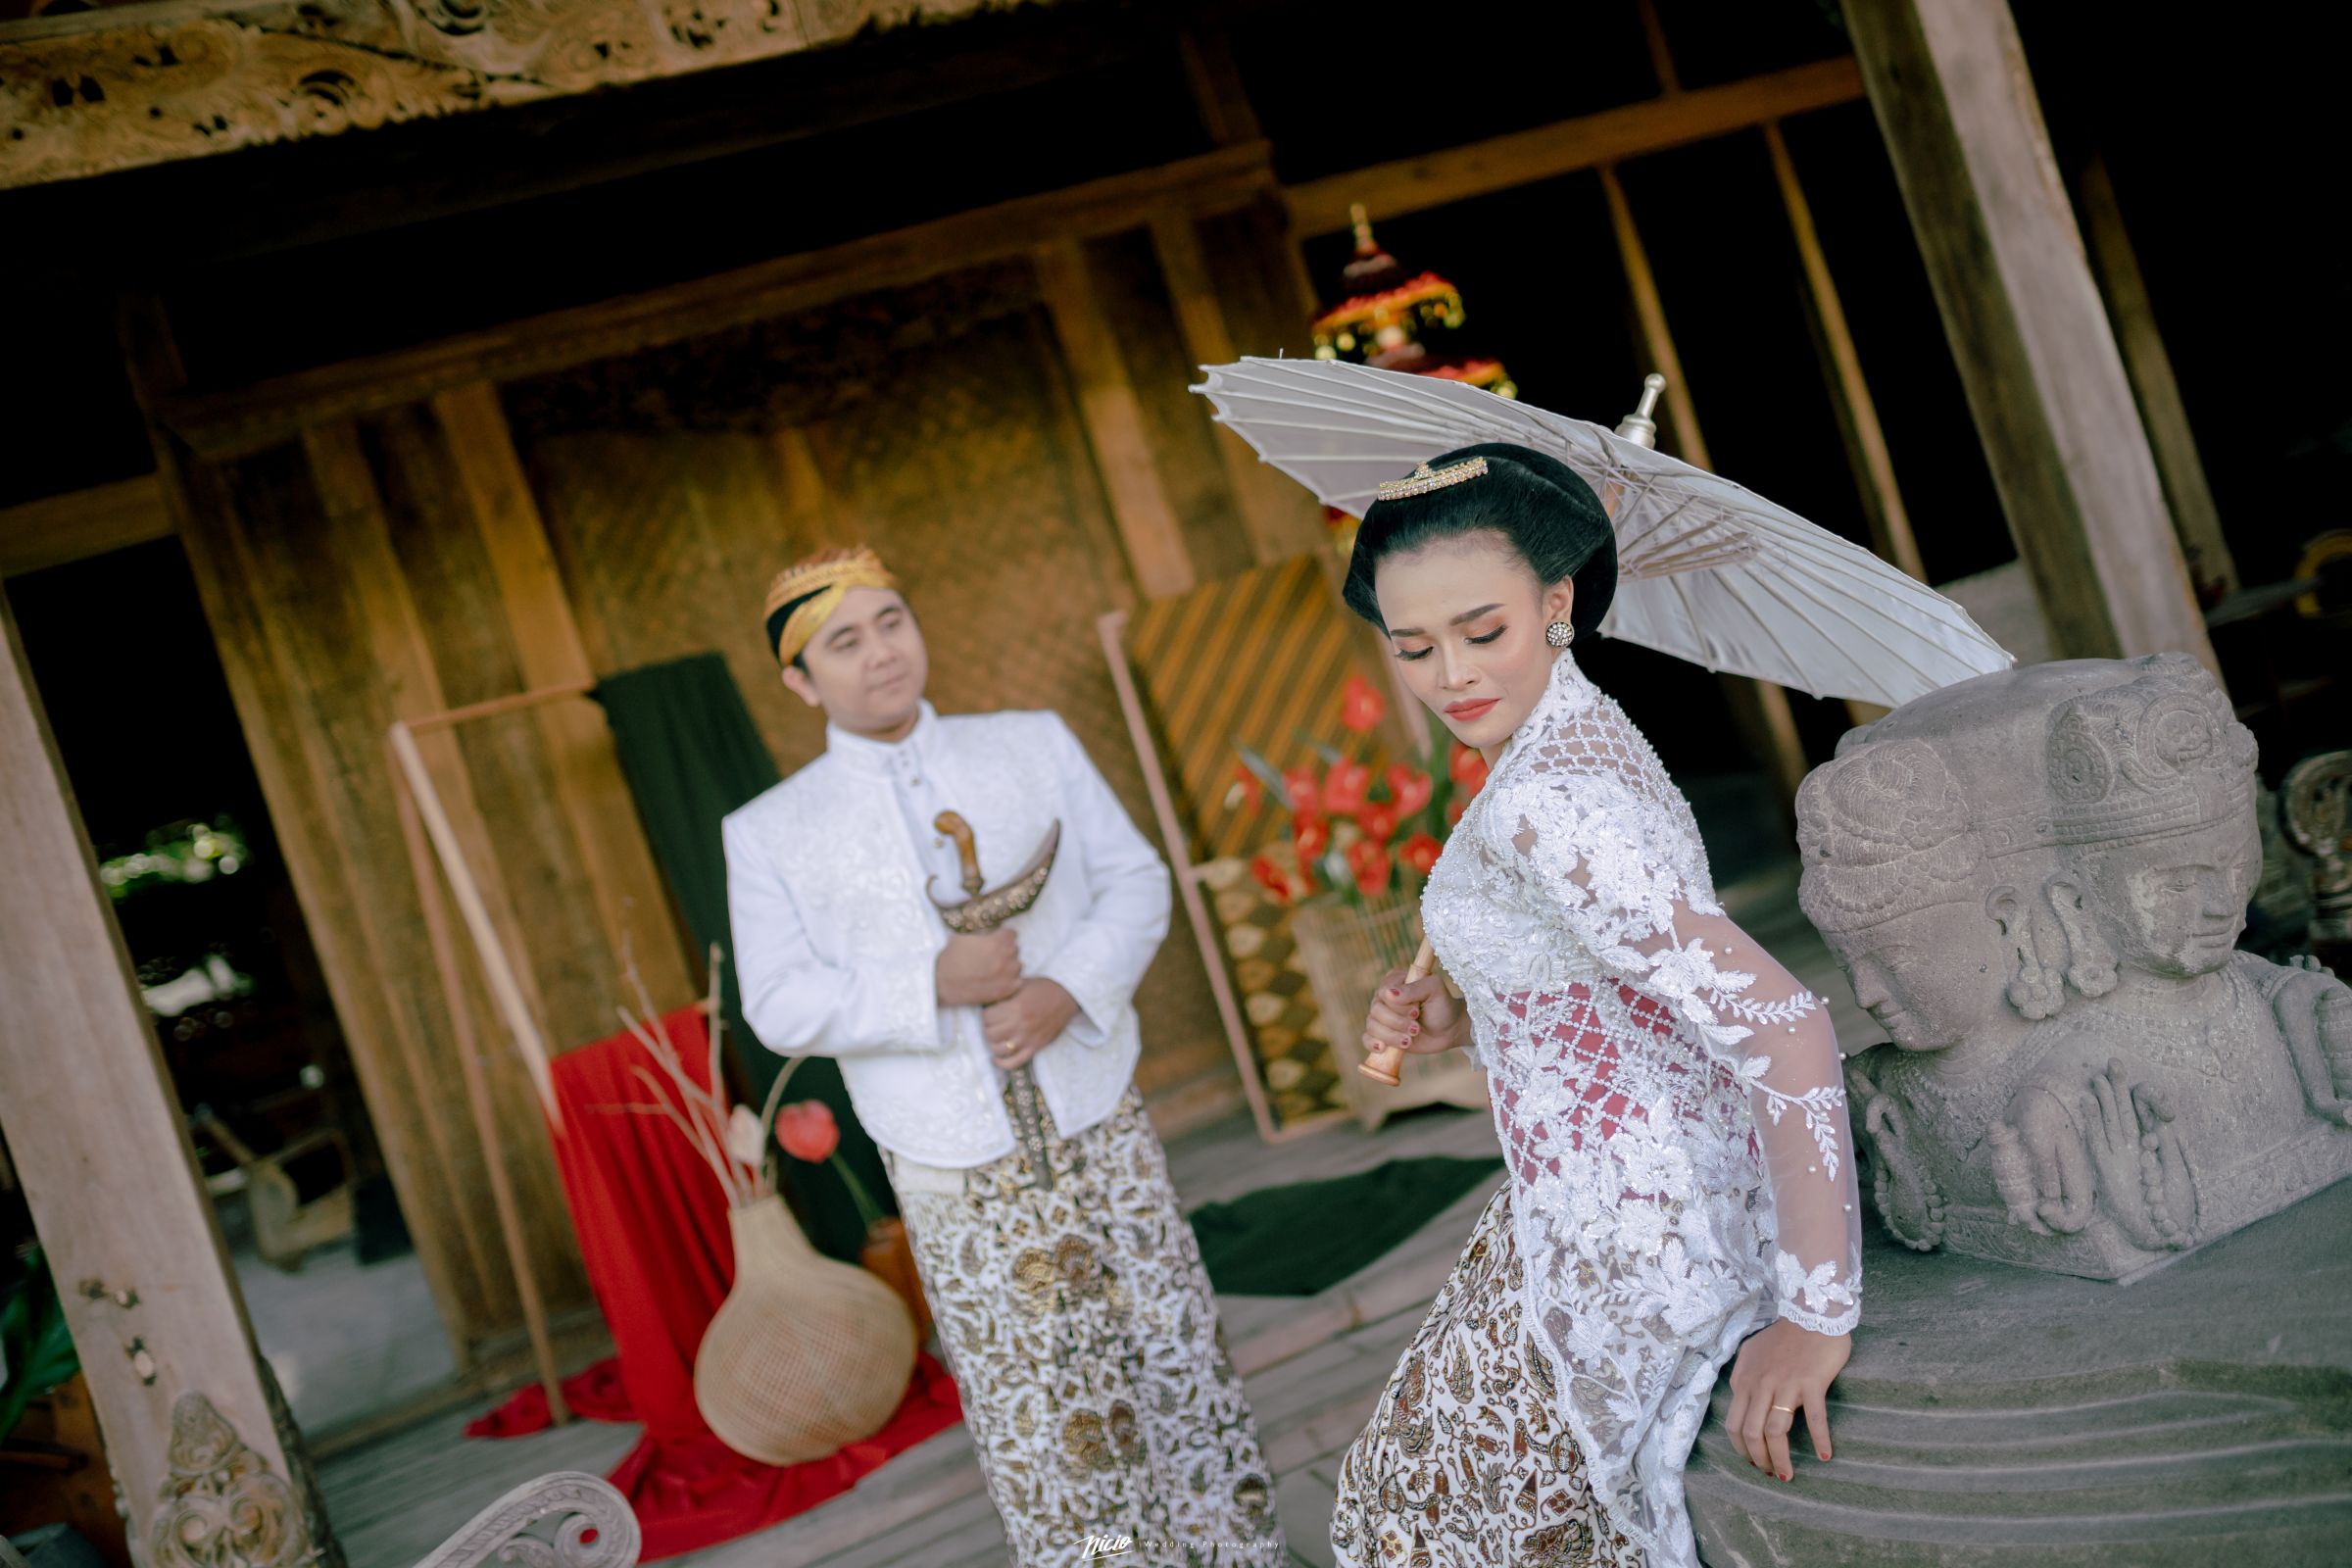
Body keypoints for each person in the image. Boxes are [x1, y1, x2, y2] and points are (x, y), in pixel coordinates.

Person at [1325, 447, 1862, 1567]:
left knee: (1402, 1521)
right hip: (1589, 1197)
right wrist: (1461, 1016)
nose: (1452, 675)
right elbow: (1609, 995)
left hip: (1635, 1240)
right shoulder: (1570, 732)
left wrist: (1815, 1316)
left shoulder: (1547, 804)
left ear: (1557, 599)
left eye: (1483, 631)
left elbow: (1784, 1025)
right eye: (1413, 647)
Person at [720, 545, 1282, 1567]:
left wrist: (1069, 987)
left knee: (1172, 1360)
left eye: (892, 621)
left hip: (1096, 1118)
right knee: (1045, 1410)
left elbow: (1136, 880)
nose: (881, 653)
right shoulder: (770, 830)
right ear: (799, 681)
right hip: (951, 1158)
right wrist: (929, 983)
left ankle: (1235, 1555)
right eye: (844, 642)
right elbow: (777, 1002)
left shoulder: (1031, 743)